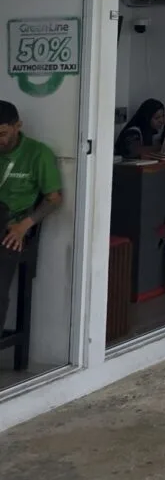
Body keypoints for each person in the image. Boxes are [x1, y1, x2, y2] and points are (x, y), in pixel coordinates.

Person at [0, 101, 62, 332]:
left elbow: (54, 199)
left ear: (18, 126)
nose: (0, 140)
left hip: (12, 227)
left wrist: (24, 226)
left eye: (3, 134)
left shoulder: (37, 153)